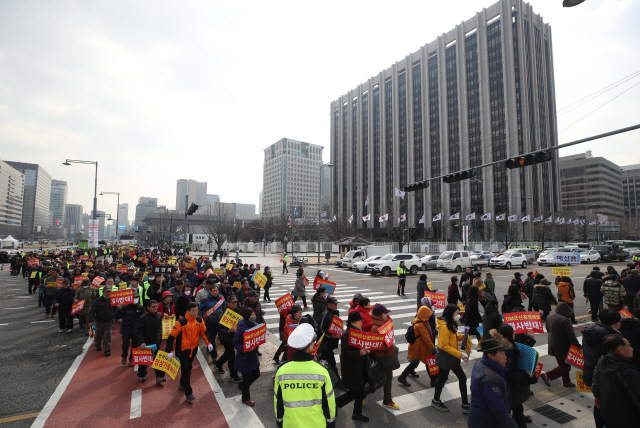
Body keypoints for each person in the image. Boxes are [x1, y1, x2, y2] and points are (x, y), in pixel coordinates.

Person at [274, 323, 337, 427]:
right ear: (309, 348)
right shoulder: (321, 371)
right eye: (313, 343)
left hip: (290, 424)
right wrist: (331, 422)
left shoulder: (282, 371)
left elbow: (278, 401)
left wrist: (279, 421)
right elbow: (328, 402)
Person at [582, 309, 622, 428]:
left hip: (590, 373)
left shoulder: (589, 331)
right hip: (605, 377)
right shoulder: (610, 339)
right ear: (615, 323)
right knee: (608, 404)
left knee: (598, 401)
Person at [167, 302, 213, 402]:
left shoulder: (199, 320)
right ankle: (188, 393)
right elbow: (171, 337)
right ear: (188, 311)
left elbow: (204, 332)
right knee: (186, 370)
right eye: (193, 311)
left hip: (193, 350)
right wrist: (170, 351)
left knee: (189, 367)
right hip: (182, 351)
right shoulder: (180, 322)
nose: (195, 312)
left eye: (197, 310)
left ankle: (182, 382)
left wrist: (208, 343)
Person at [467, 338, 519, 428]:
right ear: (490, 356)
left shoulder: (479, 364)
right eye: (502, 354)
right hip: (486, 422)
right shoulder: (490, 379)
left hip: (478, 416)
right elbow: (498, 410)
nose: (505, 357)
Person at [591, 335, 640, 428]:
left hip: (607, 415)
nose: (632, 349)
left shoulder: (602, 361)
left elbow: (595, 383)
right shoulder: (627, 372)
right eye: (629, 346)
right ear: (620, 349)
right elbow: (637, 397)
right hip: (627, 420)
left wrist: (597, 396)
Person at [491, 325, 536, 428]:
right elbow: (508, 373)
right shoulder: (507, 352)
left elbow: (520, 350)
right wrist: (525, 374)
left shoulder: (501, 344)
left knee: (517, 408)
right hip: (509, 386)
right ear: (509, 335)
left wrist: (529, 339)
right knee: (515, 408)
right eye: (513, 333)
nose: (514, 334)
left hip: (506, 384)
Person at [432, 304, 469, 413]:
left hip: (452, 358)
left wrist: (463, 336)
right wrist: (460, 354)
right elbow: (444, 345)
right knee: (442, 380)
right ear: (451, 313)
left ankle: (465, 404)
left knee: (461, 378)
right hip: (446, 359)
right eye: (457, 313)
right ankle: (436, 400)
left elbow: (452, 336)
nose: (459, 316)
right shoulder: (444, 326)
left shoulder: (450, 324)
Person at [335, 311, 370, 422]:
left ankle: (357, 413)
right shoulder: (347, 334)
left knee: (359, 391)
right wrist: (360, 353)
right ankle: (335, 403)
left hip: (358, 367)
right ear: (353, 322)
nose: (361, 322)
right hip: (352, 369)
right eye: (359, 321)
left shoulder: (357, 332)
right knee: (355, 392)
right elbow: (345, 353)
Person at [366, 304, 400, 409]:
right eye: (385, 313)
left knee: (389, 378)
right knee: (382, 381)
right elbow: (375, 346)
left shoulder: (385, 324)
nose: (387, 314)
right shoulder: (376, 328)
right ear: (380, 315)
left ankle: (387, 400)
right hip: (382, 357)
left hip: (388, 356)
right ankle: (362, 393)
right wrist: (389, 344)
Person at [540, 302, 581, 388]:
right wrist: (579, 347)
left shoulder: (549, 316)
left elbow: (548, 329)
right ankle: (547, 375)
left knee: (562, 364)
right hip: (563, 346)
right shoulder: (564, 320)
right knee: (565, 367)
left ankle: (566, 381)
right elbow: (571, 336)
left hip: (552, 343)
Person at [398, 305, 437, 388]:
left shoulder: (418, 320)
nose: (429, 317)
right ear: (424, 315)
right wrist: (433, 348)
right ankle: (433, 381)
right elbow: (426, 339)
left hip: (418, 347)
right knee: (427, 363)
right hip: (419, 348)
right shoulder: (421, 325)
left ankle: (403, 376)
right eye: (427, 315)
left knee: (415, 363)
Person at [233, 307, 261, 406]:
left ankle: (242, 386)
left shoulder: (256, 325)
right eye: (252, 315)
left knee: (256, 374)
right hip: (244, 357)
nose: (254, 317)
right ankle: (246, 398)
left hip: (253, 356)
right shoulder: (241, 328)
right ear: (247, 317)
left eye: (254, 314)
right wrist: (246, 348)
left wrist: (260, 339)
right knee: (246, 378)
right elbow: (236, 343)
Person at [134, 299, 165, 384]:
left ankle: (159, 377)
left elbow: (159, 329)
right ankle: (142, 375)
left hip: (156, 342)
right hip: (146, 343)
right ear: (148, 308)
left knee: (157, 360)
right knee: (144, 362)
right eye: (153, 307)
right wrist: (141, 342)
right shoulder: (143, 318)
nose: (155, 308)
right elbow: (138, 331)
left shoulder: (159, 315)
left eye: (156, 306)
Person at [214, 295, 242, 383]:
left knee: (227, 354)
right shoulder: (223, 313)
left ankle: (218, 364)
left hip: (236, 336)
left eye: (236, 302)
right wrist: (228, 331)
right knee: (231, 356)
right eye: (232, 302)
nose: (234, 304)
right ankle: (233, 375)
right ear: (228, 303)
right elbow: (219, 328)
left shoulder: (238, 311)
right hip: (226, 338)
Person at [114, 290, 145, 366]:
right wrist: (119, 308)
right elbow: (117, 316)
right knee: (125, 343)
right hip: (126, 329)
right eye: (134, 297)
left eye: (137, 297)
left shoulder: (140, 307)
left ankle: (131, 358)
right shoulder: (124, 307)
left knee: (134, 345)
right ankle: (124, 356)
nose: (135, 299)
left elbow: (144, 318)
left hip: (136, 330)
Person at [319, 296, 343, 387]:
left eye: (336, 304)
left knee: (323, 359)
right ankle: (338, 383)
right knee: (332, 364)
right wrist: (330, 336)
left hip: (331, 344)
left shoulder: (335, 312)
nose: (336, 305)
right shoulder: (326, 314)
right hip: (326, 344)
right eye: (334, 304)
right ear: (328, 304)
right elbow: (320, 329)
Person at [88, 286, 116, 356]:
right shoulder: (97, 300)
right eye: (106, 291)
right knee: (98, 335)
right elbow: (92, 311)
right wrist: (91, 320)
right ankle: (97, 344)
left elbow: (116, 310)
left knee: (108, 335)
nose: (108, 293)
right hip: (99, 321)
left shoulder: (114, 300)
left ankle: (107, 349)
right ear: (103, 292)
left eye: (109, 291)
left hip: (109, 321)